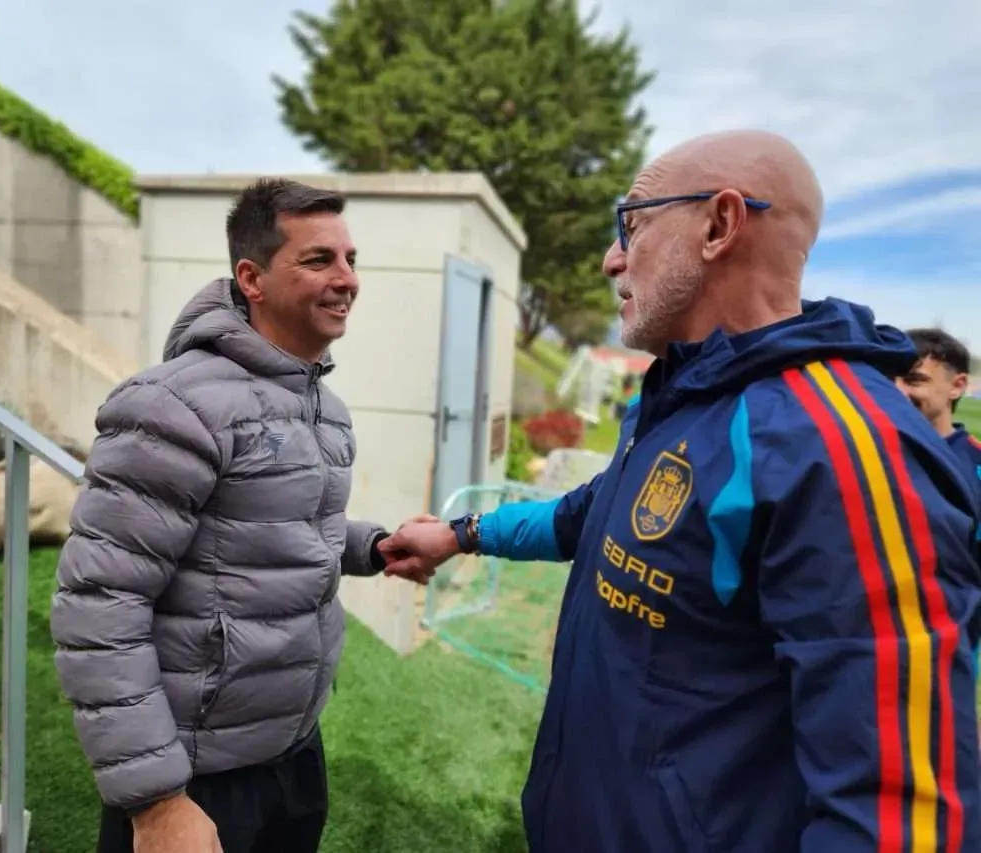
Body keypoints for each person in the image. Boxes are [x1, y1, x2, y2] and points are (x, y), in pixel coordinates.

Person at [380, 130, 981, 851]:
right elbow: (592, 515)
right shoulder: (684, 392)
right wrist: (462, 534)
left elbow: (896, 812)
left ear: (720, 225)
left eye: (630, 226)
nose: (611, 258)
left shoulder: (841, 448)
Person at [50, 178, 424, 853]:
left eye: (350, 259)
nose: (347, 279)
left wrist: (374, 545)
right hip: (198, 777)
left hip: (293, 753)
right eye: (318, 260)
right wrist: (158, 802)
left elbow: (276, 526)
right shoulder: (172, 406)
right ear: (251, 277)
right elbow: (100, 605)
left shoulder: (322, 408)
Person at [897, 327, 981, 483]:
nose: (898, 391)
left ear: (957, 386)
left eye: (914, 380)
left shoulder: (976, 462)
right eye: (890, 380)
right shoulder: (868, 451)